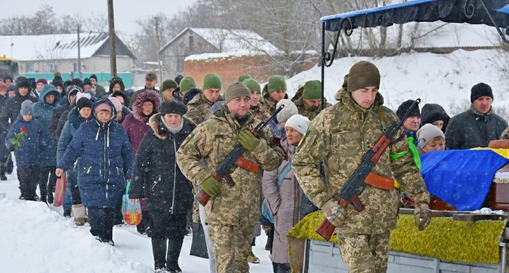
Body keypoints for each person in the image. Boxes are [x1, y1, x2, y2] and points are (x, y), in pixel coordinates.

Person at [292, 61, 432, 273]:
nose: (369, 96)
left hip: (382, 217)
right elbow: (303, 163)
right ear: (351, 88)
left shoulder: (387, 119)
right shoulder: (329, 120)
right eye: (364, 90)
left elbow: (404, 165)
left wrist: (421, 200)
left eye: (374, 90)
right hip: (347, 216)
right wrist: (325, 202)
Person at [177, 82, 284, 273]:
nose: (243, 104)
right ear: (227, 103)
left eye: (246, 99)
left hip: (248, 211)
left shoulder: (262, 130)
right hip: (220, 210)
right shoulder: (209, 128)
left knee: (241, 265)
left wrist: (257, 146)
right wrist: (202, 177)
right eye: (238, 100)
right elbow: (184, 154)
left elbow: (275, 161)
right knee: (225, 265)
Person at [129, 100, 196, 273]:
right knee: (158, 230)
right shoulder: (153, 135)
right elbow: (140, 162)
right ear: (163, 117)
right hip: (157, 190)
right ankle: (159, 264)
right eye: (170, 116)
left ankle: (172, 264)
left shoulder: (190, 134)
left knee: (178, 230)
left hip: (183, 190)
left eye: (176, 116)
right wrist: (136, 189)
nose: (173, 120)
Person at [56, 99, 133, 245]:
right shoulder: (85, 129)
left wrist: (129, 173)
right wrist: (63, 165)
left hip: (113, 176)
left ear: (111, 114)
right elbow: (73, 149)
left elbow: (127, 153)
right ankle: (96, 241)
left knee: (109, 210)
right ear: (95, 114)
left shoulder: (118, 130)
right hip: (90, 176)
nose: (104, 116)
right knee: (95, 210)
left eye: (107, 113)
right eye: (101, 113)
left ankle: (108, 239)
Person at [263, 114, 310, 273]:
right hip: (284, 216)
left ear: (303, 132)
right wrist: (277, 207)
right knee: (283, 259)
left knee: (305, 259)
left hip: (307, 217)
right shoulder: (279, 152)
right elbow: (268, 181)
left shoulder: (314, 154)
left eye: (293, 130)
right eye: (287, 130)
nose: (288, 134)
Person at [122, 89, 161, 234]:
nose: (147, 108)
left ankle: (152, 222)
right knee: (138, 192)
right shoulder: (130, 120)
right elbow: (124, 141)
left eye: (150, 105)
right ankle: (141, 220)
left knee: (153, 192)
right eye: (144, 105)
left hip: (156, 162)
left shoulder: (158, 121)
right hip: (135, 161)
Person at [57, 93, 93, 225]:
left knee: (91, 189)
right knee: (76, 189)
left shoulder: (95, 123)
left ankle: (91, 214)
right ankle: (79, 216)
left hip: (91, 162)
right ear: (79, 110)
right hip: (74, 163)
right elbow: (62, 144)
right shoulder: (70, 123)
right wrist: (61, 164)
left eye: (88, 109)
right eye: (84, 109)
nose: (86, 112)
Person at [445, 82, 508, 149]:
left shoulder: (501, 124)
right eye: (480, 99)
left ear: (492, 100)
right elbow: (449, 152)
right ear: (473, 101)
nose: (484, 103)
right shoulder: (457, 123)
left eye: (488, 99)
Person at [5, 100, 46, 200]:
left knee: (34, 176)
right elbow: (9, 138)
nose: (28, 116)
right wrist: (11, 145)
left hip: (35, 155)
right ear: (22, 113)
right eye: (26, 114)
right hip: (22, 156)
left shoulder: (36, 124)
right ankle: (24, 192)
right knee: (24, 176)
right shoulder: (16, 125)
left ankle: (33, 192)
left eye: (30, 114)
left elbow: (42, 135)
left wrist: (42, 144)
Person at [33, 84, 62, 203]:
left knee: (54, 172)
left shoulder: (58, 108)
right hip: (42, 145)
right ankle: (43, 194)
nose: (51, 99)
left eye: (53, 97)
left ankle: (50, 191)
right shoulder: (36, 107)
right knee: (42, 174)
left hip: (54, 144)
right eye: (48, 96)